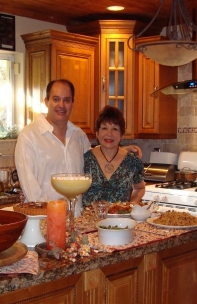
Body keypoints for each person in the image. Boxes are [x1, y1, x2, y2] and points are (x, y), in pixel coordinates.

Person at [15, 79, 141, 208]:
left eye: (67, 100)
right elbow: (31, 187)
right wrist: (54, 214)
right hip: (42, 221)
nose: (61, 105)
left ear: (72, 103)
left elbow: (96, 158)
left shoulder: (78, 135)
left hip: (76, 220)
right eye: (56, 99)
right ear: (46, 101)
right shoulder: (29, 136)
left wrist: (120, 150)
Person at [82, 105, 145, 207]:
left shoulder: (132, 161)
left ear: (122, 135)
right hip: (89, 220)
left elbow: (140, 188)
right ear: (97, 133)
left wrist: (130, 205)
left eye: (115, 129)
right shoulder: (86, 159)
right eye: (104, 128)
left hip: (120, 221)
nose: (109, 134)